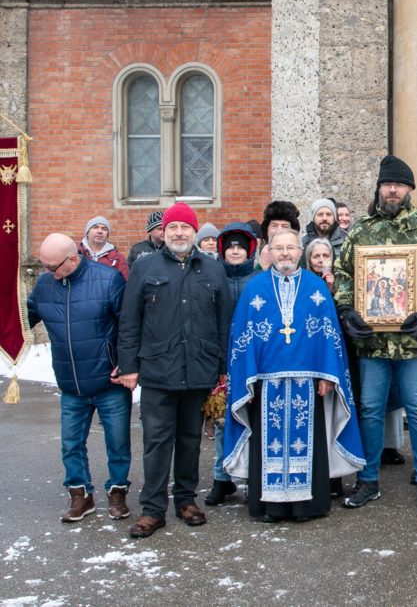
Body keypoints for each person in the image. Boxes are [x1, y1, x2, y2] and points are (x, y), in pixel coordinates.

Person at [334, 156, 417, 512]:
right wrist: (346, 310)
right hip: (371, 339)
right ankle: (368, 479)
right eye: (388, 184)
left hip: (414, 340)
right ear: (379, 188)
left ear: (410, 189)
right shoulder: (360, 230)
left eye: (400, 185)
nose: (393, 190)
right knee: (370, 408)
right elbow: (344, 274)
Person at [222, 229, 364, 523]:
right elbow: (242, 337)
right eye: (279, 248)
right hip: (266, 383)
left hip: (309, 382)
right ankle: (270, 506)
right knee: (266, 440)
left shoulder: (316, 287)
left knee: (309, 440)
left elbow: (329, 336)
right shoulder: (255, 288)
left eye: (291, 248)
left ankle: (307, 505)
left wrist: (328, 376)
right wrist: (247, 378)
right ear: (269, 251)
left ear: (301, 251)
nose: (285, 253)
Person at [117, 202, 235, 538]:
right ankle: (153, 509)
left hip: (199, 368)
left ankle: (186, 500)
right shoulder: (145, 267)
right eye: (173, 228)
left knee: (190, 439)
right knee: (156, 441)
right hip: (158, 370)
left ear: (195, 232)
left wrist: (223, 368)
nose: (179, 233)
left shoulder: (213, 269)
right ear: (163, 233)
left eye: (185, 228)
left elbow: (223, 321)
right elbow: (130, 320)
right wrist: (128, 365)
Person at [27, 234, 131, 523]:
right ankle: (80, 495)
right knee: (71, 443)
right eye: (44, 266)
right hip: (70, 382)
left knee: (118, 442)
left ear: (72, 259)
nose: (47, 272)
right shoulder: (45, 284)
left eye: (51, 266)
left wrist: (125, 362)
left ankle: (118, 492)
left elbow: (128, 324)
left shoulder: (108, 280)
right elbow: (26, 317)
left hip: (108, 380)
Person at [204, 222, 259, 507]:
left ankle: (252, 477)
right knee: (223, 421)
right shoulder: (213, 277)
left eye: (240, 246)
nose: (235, 251)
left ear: (248, 248)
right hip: (222, 360)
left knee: (252, 419)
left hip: (253, 361)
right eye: (230, 247)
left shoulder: (259, 279)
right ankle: (221, 478)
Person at [257, 201, 301, 270]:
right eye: (274, 225)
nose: (279, 230)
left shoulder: (299, 256)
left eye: (284, 226)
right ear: (267, 229)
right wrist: (262, 267)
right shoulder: (255, 254)